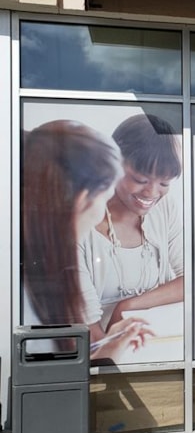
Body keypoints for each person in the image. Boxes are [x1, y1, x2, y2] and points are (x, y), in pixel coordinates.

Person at [21, 120, 151, 360]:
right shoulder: (29, 292)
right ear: (82, 199)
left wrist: (108, 348)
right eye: (105, 199)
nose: (101, 215)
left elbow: (56, 365)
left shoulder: (36, 273)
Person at [78, 113, 184, 343]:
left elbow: (193, 281)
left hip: (153, 348)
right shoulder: (77, 226)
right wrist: (117, 336)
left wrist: (126, 307)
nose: (152, 193)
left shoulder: (164, 208)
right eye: (141, 179)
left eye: (164, 183)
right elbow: (90, 339)